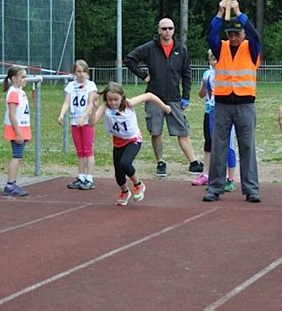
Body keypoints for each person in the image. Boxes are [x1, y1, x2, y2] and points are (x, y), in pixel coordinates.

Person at [124, 18, 203, 177]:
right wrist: (143, 75)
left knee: (182, 130)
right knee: (156, 131)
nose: (167, 31)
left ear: (174, 30)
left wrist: (186, 96)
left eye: (170, 28)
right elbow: (129, 60)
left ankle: (193, 162)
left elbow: (186, 74)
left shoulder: (181, 49)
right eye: (164, 28)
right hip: (154, 96)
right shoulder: (150, 48)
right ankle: (160, 162)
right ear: (159, 30)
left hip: (174, 98)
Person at [203, 0, 261, 203]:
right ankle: (214, 188)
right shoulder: (221, 48)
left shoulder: (251, 48)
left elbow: (255, 34)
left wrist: (238, 12)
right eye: (230, 34)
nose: (234, 38)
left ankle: (251, 189)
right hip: (223, 104)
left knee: (247, 146)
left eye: (238, 33)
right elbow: (210, 35)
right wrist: (220, 13)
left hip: (245, 104)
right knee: (219, 146)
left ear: (243, 34)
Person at [89, 82, 172, 206]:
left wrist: (165, 107)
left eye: (116, 100)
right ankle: (125, 192)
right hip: (118, 141)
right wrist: (94, 108)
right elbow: (92, 123)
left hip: (133, 139)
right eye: (110, 100)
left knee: (125, 163)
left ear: (122, 97)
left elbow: (149, 95)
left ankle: (138, 185)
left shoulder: (129, 104)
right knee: (119, 174)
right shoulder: (105, 107)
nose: (113, 103)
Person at [192, 49, 237, 192]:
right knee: (211, 143)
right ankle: (209, 175)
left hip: (225, 112)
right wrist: (204, 85)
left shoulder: (228, 72)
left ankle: (230, 178)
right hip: (210, 111)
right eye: (212, 59)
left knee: (228, 145)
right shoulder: (207, 74)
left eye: (217, 59)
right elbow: (201, 95)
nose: (214, 62)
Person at [58, 59, 98, 190]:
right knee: (79, 151)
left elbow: (91, 103)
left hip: (86, 122)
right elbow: (66, 102)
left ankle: (89, 178)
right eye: (78, 71)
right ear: (74, 72)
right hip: (75, 121)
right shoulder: (71, 86)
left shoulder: (91, 85)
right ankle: (81, 176)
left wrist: (83, 118)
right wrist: (62, 114)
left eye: (83, 71)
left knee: (88, 150)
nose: (81, 74)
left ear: (87, 72)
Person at [2, 66, 31, 196]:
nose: (25, 79)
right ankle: (10, 184)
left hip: (23, 128)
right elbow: (12, 115)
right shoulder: (13, 93)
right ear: (14, 79)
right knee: (16, 156)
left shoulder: (19, 91)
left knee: (18, 157)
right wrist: (18, 133)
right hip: (17, 130)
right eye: (23, 77)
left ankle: (12, 183)